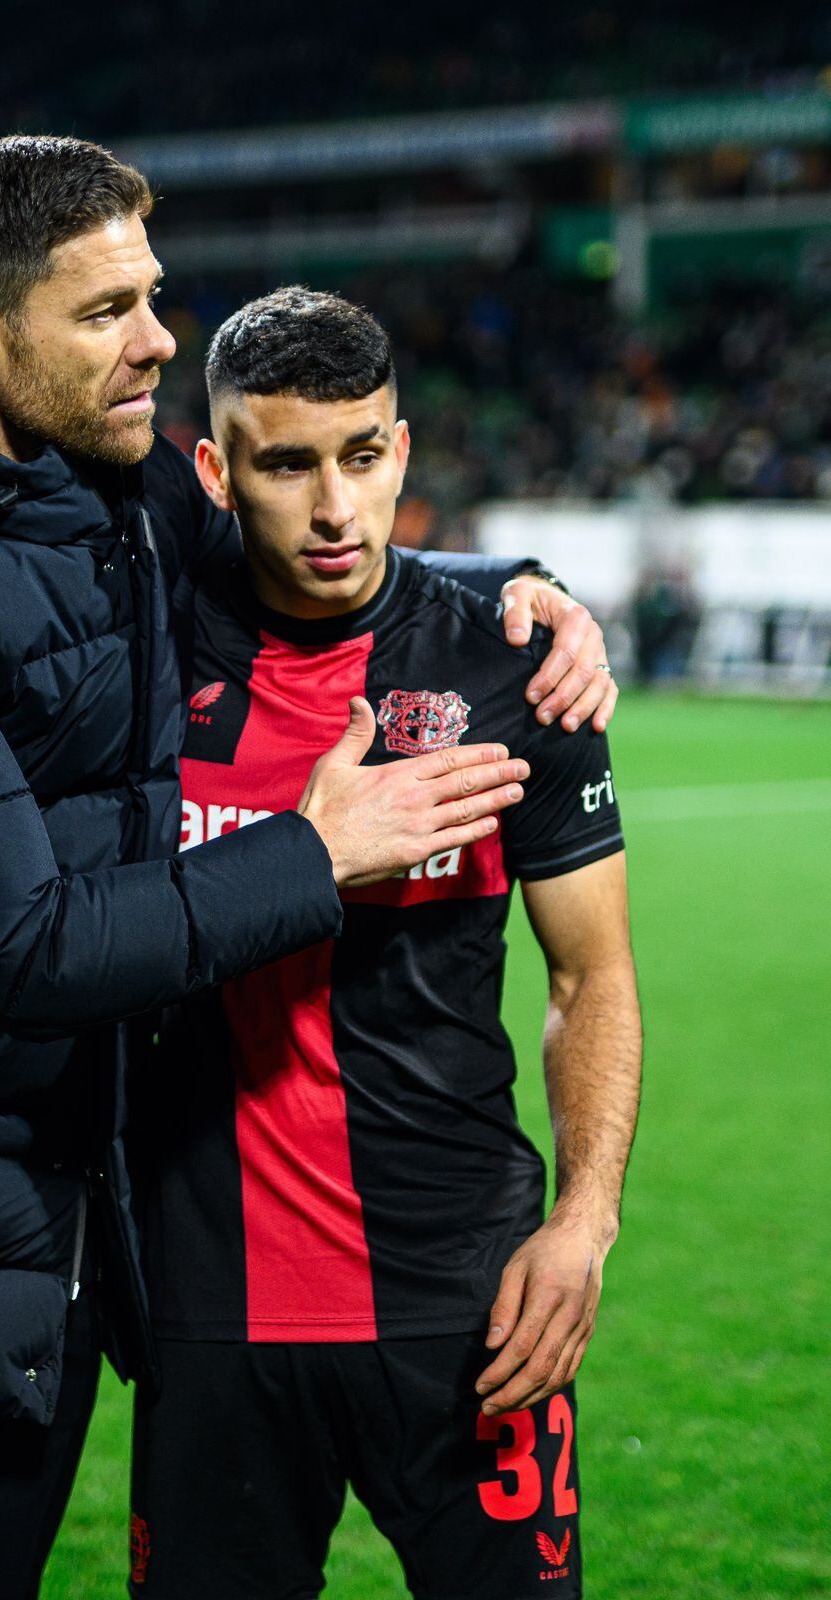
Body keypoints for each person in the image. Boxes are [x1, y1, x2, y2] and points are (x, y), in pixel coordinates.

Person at [0, 136, 617, 1600]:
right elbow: (26, 942)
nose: (157, 339)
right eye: (111, 309)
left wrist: (529, 597)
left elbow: (332, 545)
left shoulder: (108, 490)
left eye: (154, 294)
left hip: (40, 1222)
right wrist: (311, 852)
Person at [127, 288, 642, 1600]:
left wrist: (585, 1223)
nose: (335, 509)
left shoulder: (510, 661)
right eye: (286, 464)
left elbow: (593, 975)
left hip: (468, 1305)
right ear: (217, 470)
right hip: (207, 1307)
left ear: (402, 450)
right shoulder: (136, 658)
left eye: (362, 457)